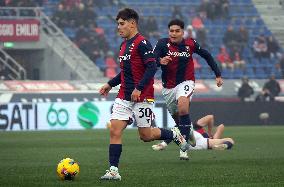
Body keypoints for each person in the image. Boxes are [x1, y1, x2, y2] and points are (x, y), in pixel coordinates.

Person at [99, 8, 189, 181]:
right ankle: (113, 171)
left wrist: (139, 88)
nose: (118, 27)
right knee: (115, 130)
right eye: (118, 24)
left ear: (132, 23)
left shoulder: (142, 43)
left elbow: (152, 67)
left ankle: (173, 134)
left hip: (142, 96)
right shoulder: (123, 45)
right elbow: (124, 72)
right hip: (124, 95)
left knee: (146, 136)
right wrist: (110, 84)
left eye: (121, 23)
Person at [153, 19, 223, 160]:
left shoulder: (190, 43)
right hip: (168, 87)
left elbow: (207, 55)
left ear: (182, 32)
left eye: (177, 31)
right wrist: (159, 61)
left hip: (186, 82)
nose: (174, 33)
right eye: (171, 31)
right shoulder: (162, 43)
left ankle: (183, 149)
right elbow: (151, 59)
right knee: (179, 121)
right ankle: (189, 131)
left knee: (183, 108)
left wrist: (217, 74)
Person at [152, 114, 226, 159]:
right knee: (221, 128)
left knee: (221, 126)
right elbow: (210, 117)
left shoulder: (194, 125)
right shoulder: (185, 126)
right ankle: (216, 144)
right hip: (201, 139)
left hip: (201, 137)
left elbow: (210, 117)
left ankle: (216, 143)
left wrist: (209, 133)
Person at [153, 130, 234, 152]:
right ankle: (226, 145)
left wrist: (164, 144)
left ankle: (162, 145)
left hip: (190, 145)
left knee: (175, 133)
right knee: (230, 140)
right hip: (202, 142)